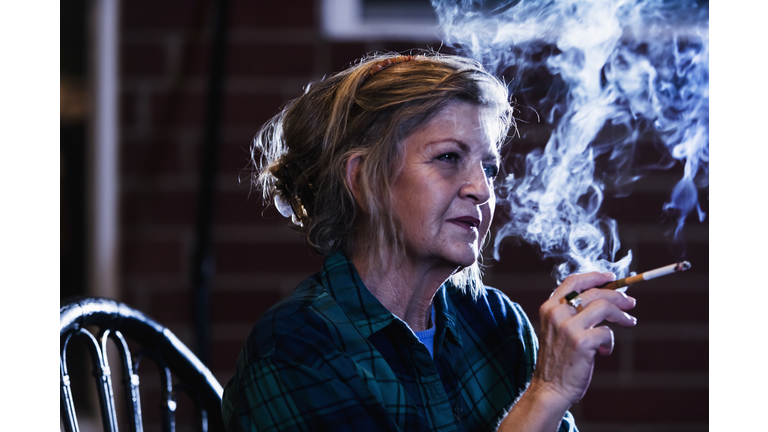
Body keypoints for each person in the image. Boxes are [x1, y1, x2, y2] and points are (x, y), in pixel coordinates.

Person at [221, 52, 637, 432]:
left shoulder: (497, 323)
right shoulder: (296, 348)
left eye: (488, 168)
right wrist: (546, 391)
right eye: (448, 158)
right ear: (365, 180)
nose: (481, 189)